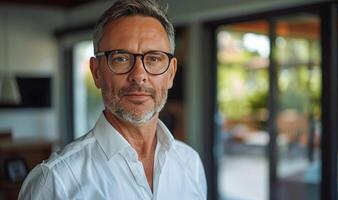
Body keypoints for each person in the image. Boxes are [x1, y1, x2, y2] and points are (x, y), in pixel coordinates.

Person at [18, 0, 207, 199]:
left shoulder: (190, 164)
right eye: (121, 58)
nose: (139, 75)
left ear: (171, 73)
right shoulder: (56, 182)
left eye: (154, 58)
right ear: (96, 72)